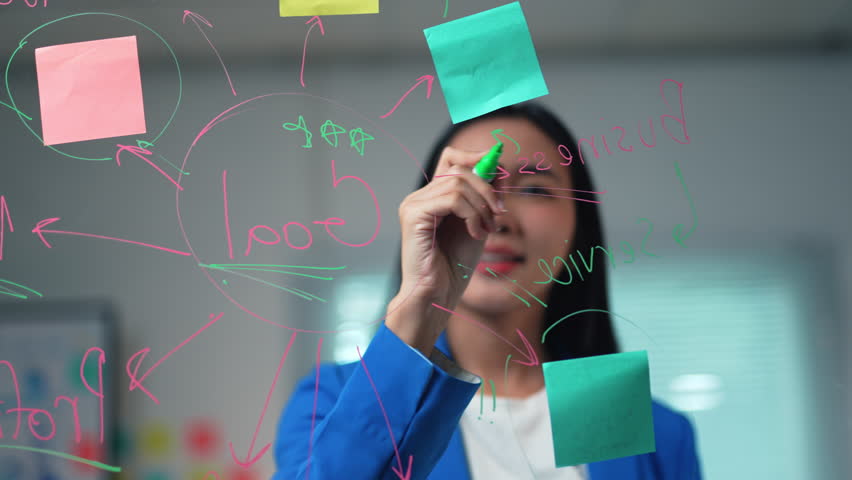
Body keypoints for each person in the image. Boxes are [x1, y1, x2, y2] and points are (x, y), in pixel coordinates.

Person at [271, 103, 702, 480]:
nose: (496, 217)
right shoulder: (330, 401)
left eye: (534, 189)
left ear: (578, 229)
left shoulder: (656, 431)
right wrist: (415, 310)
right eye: (474, 183)